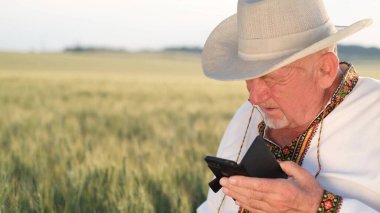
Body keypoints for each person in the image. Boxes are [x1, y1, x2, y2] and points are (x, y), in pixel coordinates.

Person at [197, 0, 380, 212]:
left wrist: (316, 206)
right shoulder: (245, 115)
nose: (254, 99)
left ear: (325, 70)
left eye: (271, 78)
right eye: (248, 77)